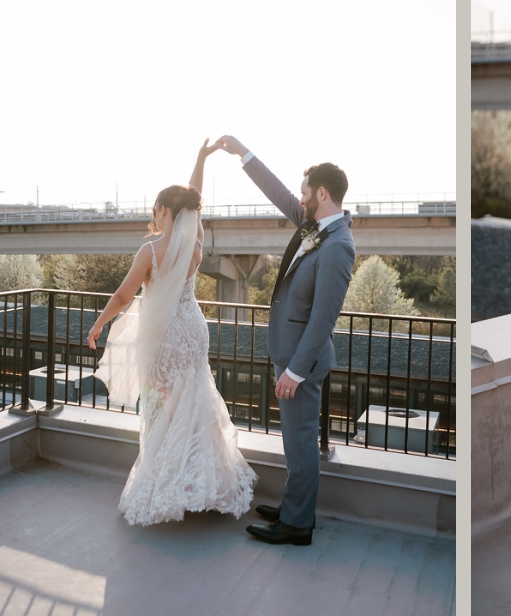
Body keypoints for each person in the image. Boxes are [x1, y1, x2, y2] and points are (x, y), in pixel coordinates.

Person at [89, 139, 258, 526]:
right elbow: (194, 202)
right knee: (195, 402)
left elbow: (121, 296)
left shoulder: (151, 252)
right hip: (193, 329)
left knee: (162, 410)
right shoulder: (193, 245)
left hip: (164, 336)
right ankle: (204, 485)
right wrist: (201, 159)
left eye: (156, 208)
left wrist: (99, 324)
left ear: (164, 211)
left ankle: (167, 486)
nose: (154, 212)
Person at [214, 135, 356, 547]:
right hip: (291, 354)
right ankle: (295, 507)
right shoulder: (314, 226)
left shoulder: (338, 246)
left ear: (322, 194)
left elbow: (323, 318)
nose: (300, 197)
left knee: (301, 443)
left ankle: (296, 525)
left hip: (302, 361)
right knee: (295, 442)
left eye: (306, 192)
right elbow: (277, 191)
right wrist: (244, 154)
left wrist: (295, 369)